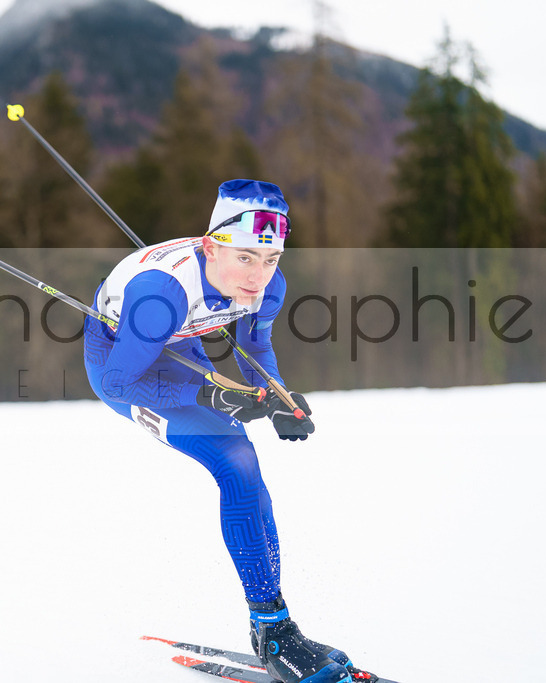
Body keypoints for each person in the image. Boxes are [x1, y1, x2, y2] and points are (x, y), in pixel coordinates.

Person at [83, 180, 355, 683]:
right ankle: (274, 631)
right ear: (211, 247)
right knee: (237, 460)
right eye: (247, 258)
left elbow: (257, 350)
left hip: (179, 344)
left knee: (243, 458)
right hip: (122, 362)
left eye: (271, 257)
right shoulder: (159, 296)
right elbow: (121, 382)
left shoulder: (269, 286)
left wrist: (277, 397)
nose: (259, 275)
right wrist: (207, 395)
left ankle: (273, 626)